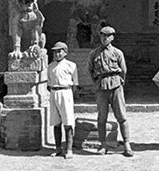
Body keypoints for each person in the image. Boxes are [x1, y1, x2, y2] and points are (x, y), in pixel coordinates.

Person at [88, 26, 133, 157]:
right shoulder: (94, 54)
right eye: (103, 35)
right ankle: (103, 145)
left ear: (112, 37)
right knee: (102, 117)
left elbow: (123, 70)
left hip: (116, 85)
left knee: (122, 116)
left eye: (108, 36)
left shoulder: (118, 53)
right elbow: (90, 70)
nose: (105, 38)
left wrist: (119, 83)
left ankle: (127, 145)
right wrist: (96, 83)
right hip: (101, 86)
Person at [47, 41, 79, 159]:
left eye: (59, 51)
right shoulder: (50, 66)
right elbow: (49, 83)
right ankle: (58, 148)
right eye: (55, 51)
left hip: (66, 92)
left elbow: (75, 84)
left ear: (65, 52)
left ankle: (69, 149)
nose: (57, 54)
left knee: (68, 122)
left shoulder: (71, 65)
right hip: (54, 92)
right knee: (56, 122)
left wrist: (69, 95)